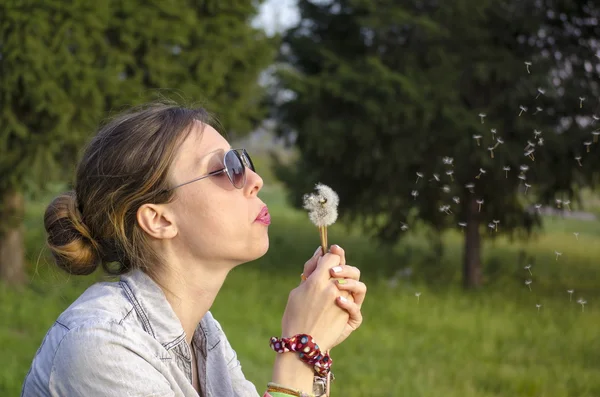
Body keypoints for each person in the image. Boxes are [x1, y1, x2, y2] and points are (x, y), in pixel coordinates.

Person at [21, 102, 367, 397]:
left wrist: (316, 349)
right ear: (159, 220)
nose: (254, 179)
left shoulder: (203, 335)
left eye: (243, 161)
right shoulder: (101, 346)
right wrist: (299, 348)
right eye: (225, 169)